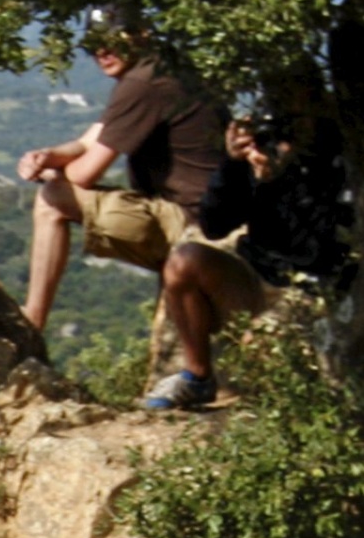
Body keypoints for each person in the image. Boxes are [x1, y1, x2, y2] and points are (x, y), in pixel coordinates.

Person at [17, 2, 224, 399]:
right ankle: (32, 323)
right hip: (204, 214)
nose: (102, 52)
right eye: (93, 44)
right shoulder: (158, 69)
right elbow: (86, 141)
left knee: (51, 199)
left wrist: (52, 174)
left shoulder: (144, 83)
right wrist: (47, 155)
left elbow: (83, 174)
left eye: (111, 40)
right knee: (54, 187)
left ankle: (32, 325)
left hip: (191, 222)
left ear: (141, 34)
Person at [150, 70, 354, 408]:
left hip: (309, 289)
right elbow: (215, 224)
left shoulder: (338, 154)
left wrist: (280, 180)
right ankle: (197, 377)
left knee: (261, 349)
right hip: (256, 276)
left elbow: (317, 245)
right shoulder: (266, 144)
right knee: (184, 262)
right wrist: (233, 165)